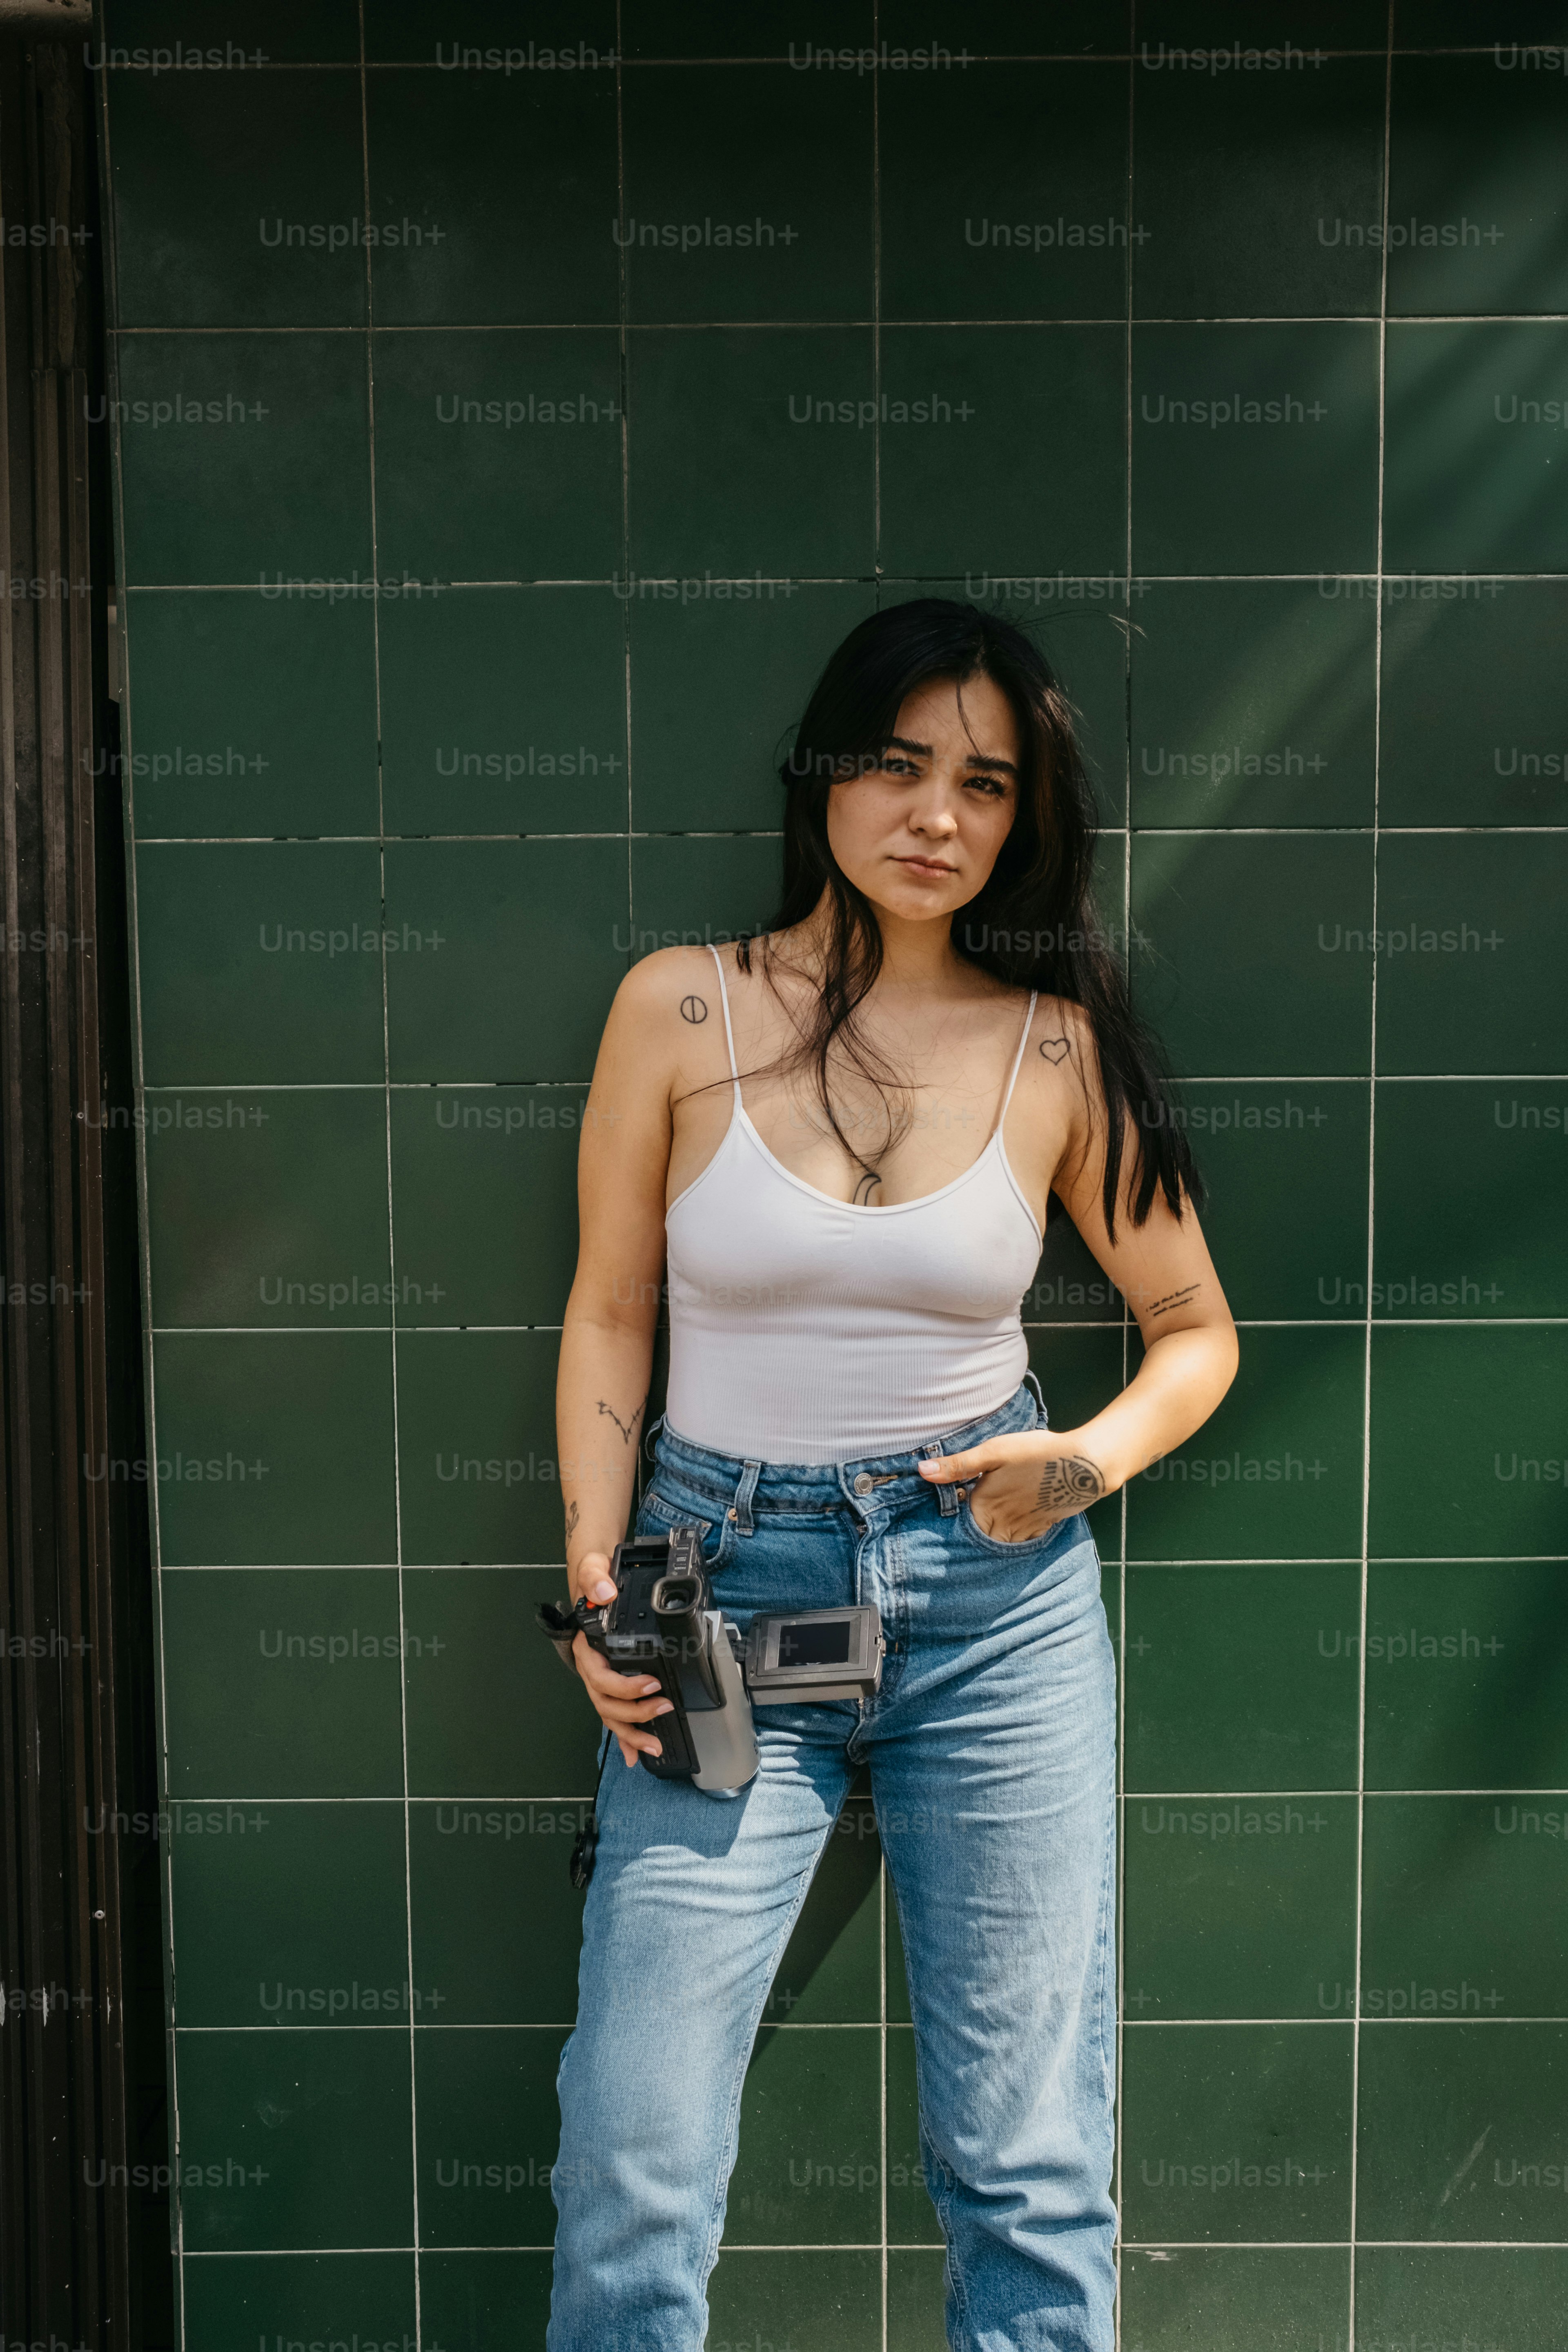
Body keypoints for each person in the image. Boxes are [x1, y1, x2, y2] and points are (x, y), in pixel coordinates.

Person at [546, 599, 1238, 2352]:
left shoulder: (1054, 1046)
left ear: (1027, 820)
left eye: (988, 784)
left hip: (992, 1612)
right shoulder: (681, 1007)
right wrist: (593, 1578)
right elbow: (614, 1308)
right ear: (826, 775)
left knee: (1025, 2156)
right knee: (637, 2147)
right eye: (900, 763)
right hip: (717, 1594)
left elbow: (1196, 1336)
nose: (939, 811)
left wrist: (1078, 1463)